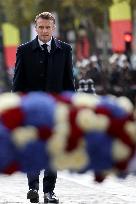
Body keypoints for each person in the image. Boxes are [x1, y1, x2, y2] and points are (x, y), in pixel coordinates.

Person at [12, 11, 75, 203]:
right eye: (41, 27)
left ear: (53, 28)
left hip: (56, 110)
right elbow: (18, 83)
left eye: (48, 27)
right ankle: (33, 188)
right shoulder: (23, 50)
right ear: (36, 28)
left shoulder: (65, 50)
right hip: (31, 110)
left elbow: (68, 83)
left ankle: (49, 191)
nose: (45, 31)